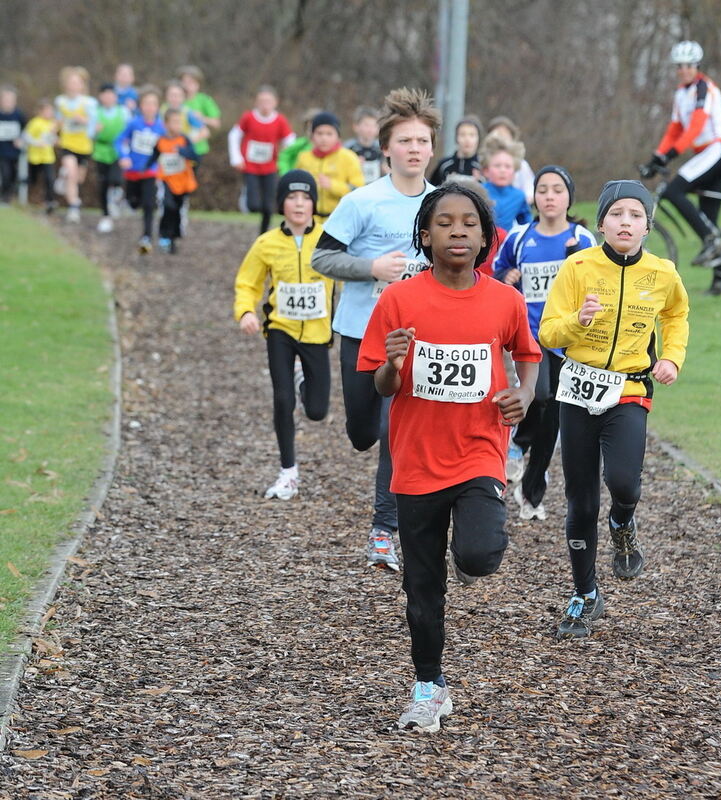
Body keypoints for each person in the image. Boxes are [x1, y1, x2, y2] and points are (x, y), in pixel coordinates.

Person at [357, 182, 540, 731]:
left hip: (479, 451)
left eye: (468, 223)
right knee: (422, 589)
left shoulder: (503, 300)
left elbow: (527, 356)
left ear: (486, 236)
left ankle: (470, 548)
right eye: (444, 223)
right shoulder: (400, 300)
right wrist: (392, 362)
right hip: (415, 462)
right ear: (425, 234)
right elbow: (382, 386)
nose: (457, 231)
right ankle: (428, 686)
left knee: (480, 556)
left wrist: (525, 395)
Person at [539, 180, 689, 640]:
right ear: (601, 222)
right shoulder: (577, 266)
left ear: (647, 225)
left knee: (624, 482)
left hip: (629, 389)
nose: (626, 222)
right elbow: (548, 332)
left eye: (635, 215)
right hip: (579, 392)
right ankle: (585, 594)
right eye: (617, 214)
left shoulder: (663, 273)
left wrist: (670, 357)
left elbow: (676, 315)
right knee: (580, 501)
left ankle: (623, 519)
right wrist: (576, 321)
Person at [311, 87, 440, 572]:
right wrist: (371, 268)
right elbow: (322, 256)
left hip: (415, 341)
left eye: (421, 140)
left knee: (394, 431)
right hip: (360, 330)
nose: (413, 148)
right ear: (386, 148)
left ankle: (383, 532)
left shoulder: (442, 204)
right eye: (404, 140)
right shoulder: (362, 201)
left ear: (431, 148)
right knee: (364, 432)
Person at [494, 166, 596, 519]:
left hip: (568, 340)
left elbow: (596, 285)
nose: (550, 196)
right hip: (531, 335)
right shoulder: (520, 237)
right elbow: (496, 271)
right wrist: (507, 278)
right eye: (543, 190)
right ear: (534, 197)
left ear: (569, 197)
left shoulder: (582, 239)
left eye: (557, 190)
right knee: (539, 395)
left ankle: (532, 490)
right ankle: (518, 444)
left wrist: (573, 264)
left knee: (553, 415)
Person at [234, 170, 333, 499]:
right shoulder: (267, 243)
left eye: (306, 198)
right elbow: (247, 283)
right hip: (280, 330)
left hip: (317, 334)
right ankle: (288, 473)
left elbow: (352, 273)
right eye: (292, 197)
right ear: (282, 204)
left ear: (314, 204)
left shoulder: (330, 238)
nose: (300, 204)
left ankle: (301, 376)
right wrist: (246, 311)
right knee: (282, 400)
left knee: (317, 410)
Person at [640, 40, 721, 296]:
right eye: (679, 66)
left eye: (688, 65)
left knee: (673, 190)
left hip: (718, 149)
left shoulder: (704, 88)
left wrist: (669, 156)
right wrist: (656, 157)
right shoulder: (681, 94)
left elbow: (695, 127)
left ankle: (710, 242)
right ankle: (719, 281)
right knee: (709, 215)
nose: (683, 70)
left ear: (697, 66)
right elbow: (675, 130)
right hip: (706, 152)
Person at [228, 85, 295, 234]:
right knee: (253, 205)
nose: (265, 105)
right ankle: (245, 197)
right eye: (262, 101)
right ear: (256, 102)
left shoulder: (279, 120)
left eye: (268, 101)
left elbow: (290, 140)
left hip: (270, 167)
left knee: (268, 205)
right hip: (250, 166)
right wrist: (236, 158)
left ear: (275, 102)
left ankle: (263, 233)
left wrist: (285, 160)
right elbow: (234, 135)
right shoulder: (248, 117)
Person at [115, 85, 165, 253]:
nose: (150, 107)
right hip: (132, 172)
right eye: (147, 103)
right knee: (133, 202)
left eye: (153, 104)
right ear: (140, 106)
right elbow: (119, 141)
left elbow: (166, 149)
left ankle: (147, 237)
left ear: (158, 107)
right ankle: (128, 202)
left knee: (149, 204)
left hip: (150, 172)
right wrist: (124, 157)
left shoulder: (161, 128)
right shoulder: (133, 124)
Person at [144, 108, 199, 253]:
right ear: (166, 124)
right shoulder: (161, 140)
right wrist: (145, 167)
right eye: (174, 122)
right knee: (168, 206)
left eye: (179, 122)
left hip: (183, 182)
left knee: (178, 209)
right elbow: (154, 156)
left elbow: (196, 157)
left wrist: (182, 151)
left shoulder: (184, 140)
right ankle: (164, 235)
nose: (178, 125)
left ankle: (173, 238)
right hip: (166, 180)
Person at [295, 111, 364, 221]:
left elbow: (358, 190)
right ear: (312, 136)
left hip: (340, 219)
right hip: (309, 221)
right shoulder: (303, 158)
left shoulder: (349, 157)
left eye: (329, 134)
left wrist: (332, 185)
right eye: (319, 133)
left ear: (338, 136)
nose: (324, 138)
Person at [54, 66, 97, 222]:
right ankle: (73, 207)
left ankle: (63, 177)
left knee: (78, 179)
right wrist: (54, 133)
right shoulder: (61, 101)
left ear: (82, 85)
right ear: (66, 84)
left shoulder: (89, 103)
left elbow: (93, 123)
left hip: (84, 146)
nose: (73, 85)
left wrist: (84, 121)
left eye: (77, 82)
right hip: (67, 144)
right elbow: (57, 121)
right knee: (72, 174)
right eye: (71, 82)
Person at [93, 82, 130, 233]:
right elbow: (89, 133)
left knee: (116, 178)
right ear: (101, 97)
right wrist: (95, 131)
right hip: (101, 150)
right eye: (105, 94)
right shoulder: (96, 112)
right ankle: (105, 215)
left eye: (111, 94)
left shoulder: (124, 111)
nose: (108, 98)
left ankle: (116, 199)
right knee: (103, 183)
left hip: (119, 150)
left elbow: (129, 130)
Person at [480, 134, 532, 231]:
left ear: (514, 171)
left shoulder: (519, 196)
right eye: (497, 166)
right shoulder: (479, 192)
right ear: (486, 170)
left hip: (506, 243)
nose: (502, 170)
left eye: (507, 166)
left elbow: (528, 226)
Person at [486, 116, 535, 204]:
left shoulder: (522, 165)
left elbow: (530, 189)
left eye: (504, 135)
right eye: (496, 135)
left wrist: (520, 202)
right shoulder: (483, 161)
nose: (500, 139)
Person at [178, 65, 221, 162]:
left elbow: (216, 123)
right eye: (184, 82)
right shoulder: (176, 99)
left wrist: (202, 118)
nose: (187, 85)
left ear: (198, 84)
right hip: (177, 146)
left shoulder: (204, 100)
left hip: (198, 148)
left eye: (191, 82)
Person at [23, 98, 57, 213]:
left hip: (48, 157)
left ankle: (50, 202)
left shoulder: (52, 123)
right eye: (47, 111)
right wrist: (37, 143)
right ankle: (24, 198)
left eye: (51, 111)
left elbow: (52, 138)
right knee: (32, 179)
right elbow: (26, 137)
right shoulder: (35, 122)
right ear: (40, 111)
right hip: (35, 158)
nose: (49, 113)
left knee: (49, 179)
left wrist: (56, 140)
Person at [428, 115, 482, 185]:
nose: (467, 139)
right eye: (462, 134)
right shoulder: (444, 165)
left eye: (472, 135)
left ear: (478, 138)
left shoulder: (483, 168)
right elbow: (433, 189)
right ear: (456, 138)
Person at [0, 85, 26, 204]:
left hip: (14, 151)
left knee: (13, 174)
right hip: (2, 150)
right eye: (5, 100)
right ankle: (5, 196)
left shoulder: (19, 115)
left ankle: (10, 194)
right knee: (5, 172)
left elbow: (26, 130)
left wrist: (21, 139)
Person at [344, 106, 384, 184]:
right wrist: (354, 164)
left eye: (374, 125)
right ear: (356, 127)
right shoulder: (348, 148)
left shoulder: (382, 148)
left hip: (376, 189)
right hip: (355, 189)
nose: (370, 129)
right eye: (366, 125)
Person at [277, 107, 320, 175]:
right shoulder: (301, 143)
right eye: (308, 126)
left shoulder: (329, 147)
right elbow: (284, 156)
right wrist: (286, 174)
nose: (311, 129)